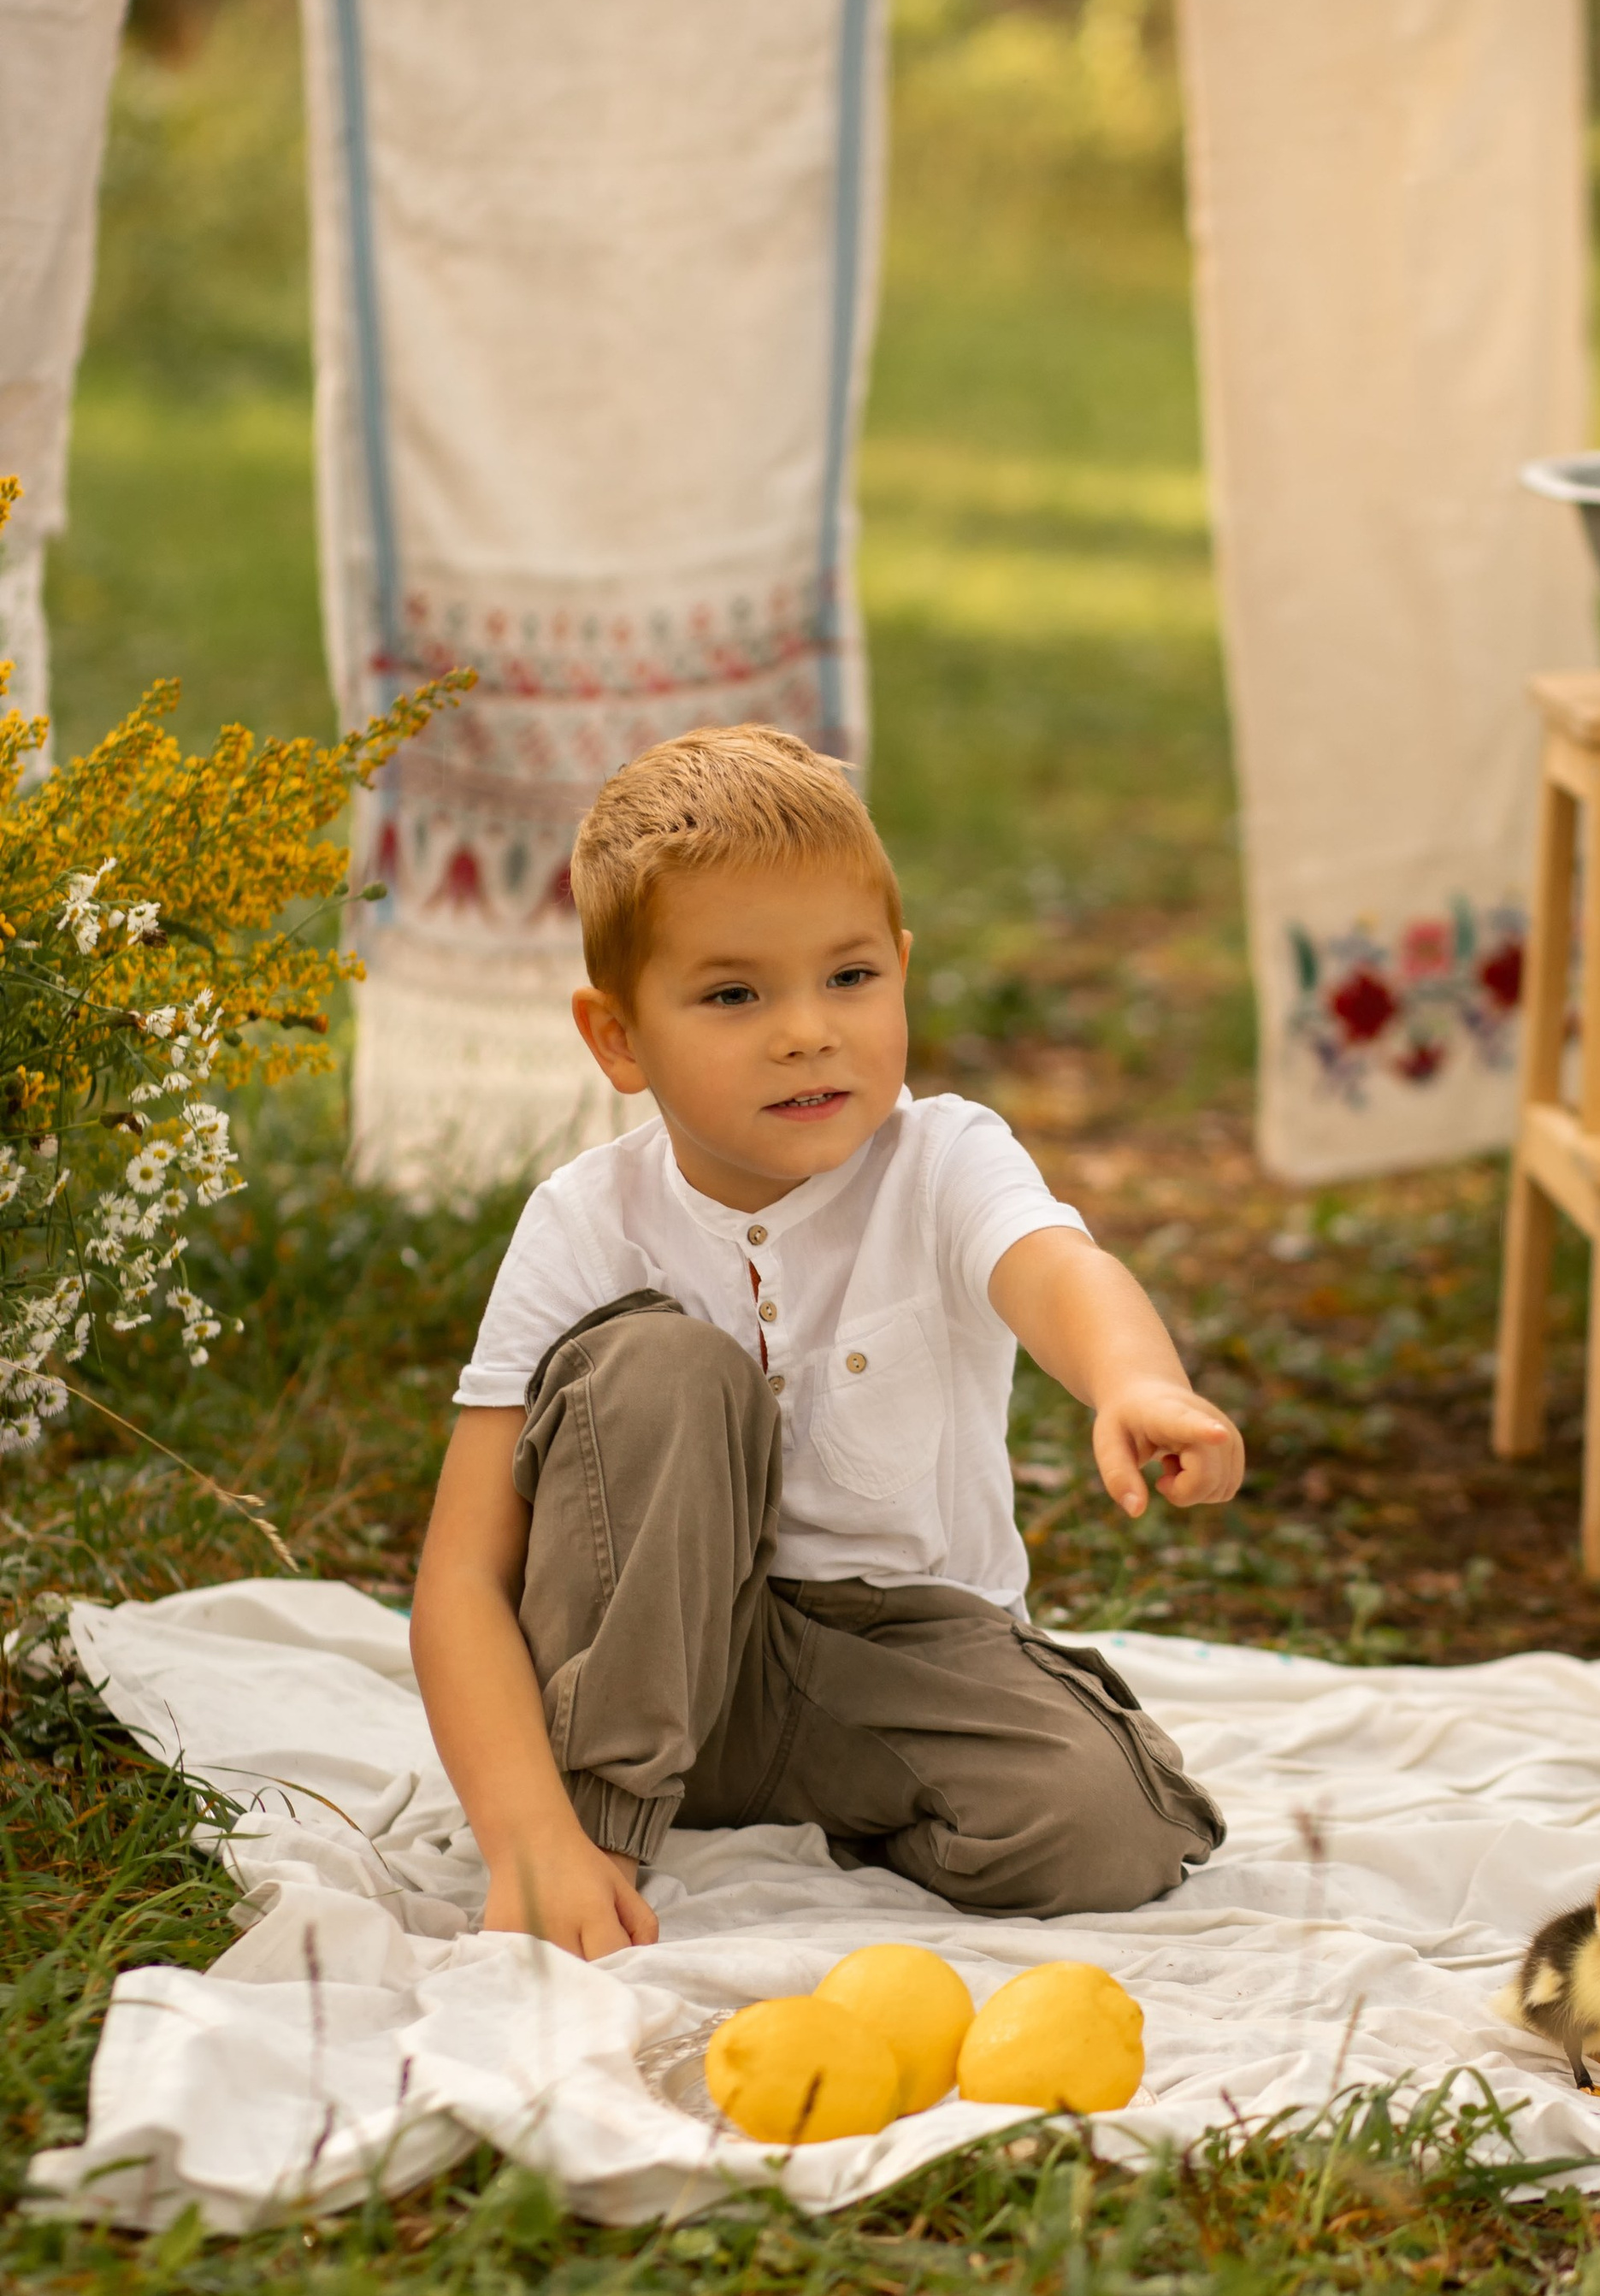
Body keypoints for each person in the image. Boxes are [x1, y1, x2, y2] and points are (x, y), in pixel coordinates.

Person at [410, 722, 1240, 1959]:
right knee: (667, 1366)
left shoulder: (945, 1160)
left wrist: (1137, 1381)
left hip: (896, 1655)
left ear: (902, 971)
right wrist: (528, 1833)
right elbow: (462, 1576)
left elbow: (1058, 1271)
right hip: (645, 1651)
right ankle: (603, 1825)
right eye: (735, 994)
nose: (806, 1031)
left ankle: (849, 1798)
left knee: (1105, 1832)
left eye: (849, 979)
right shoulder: (587, 1222)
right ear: (619, 1037)